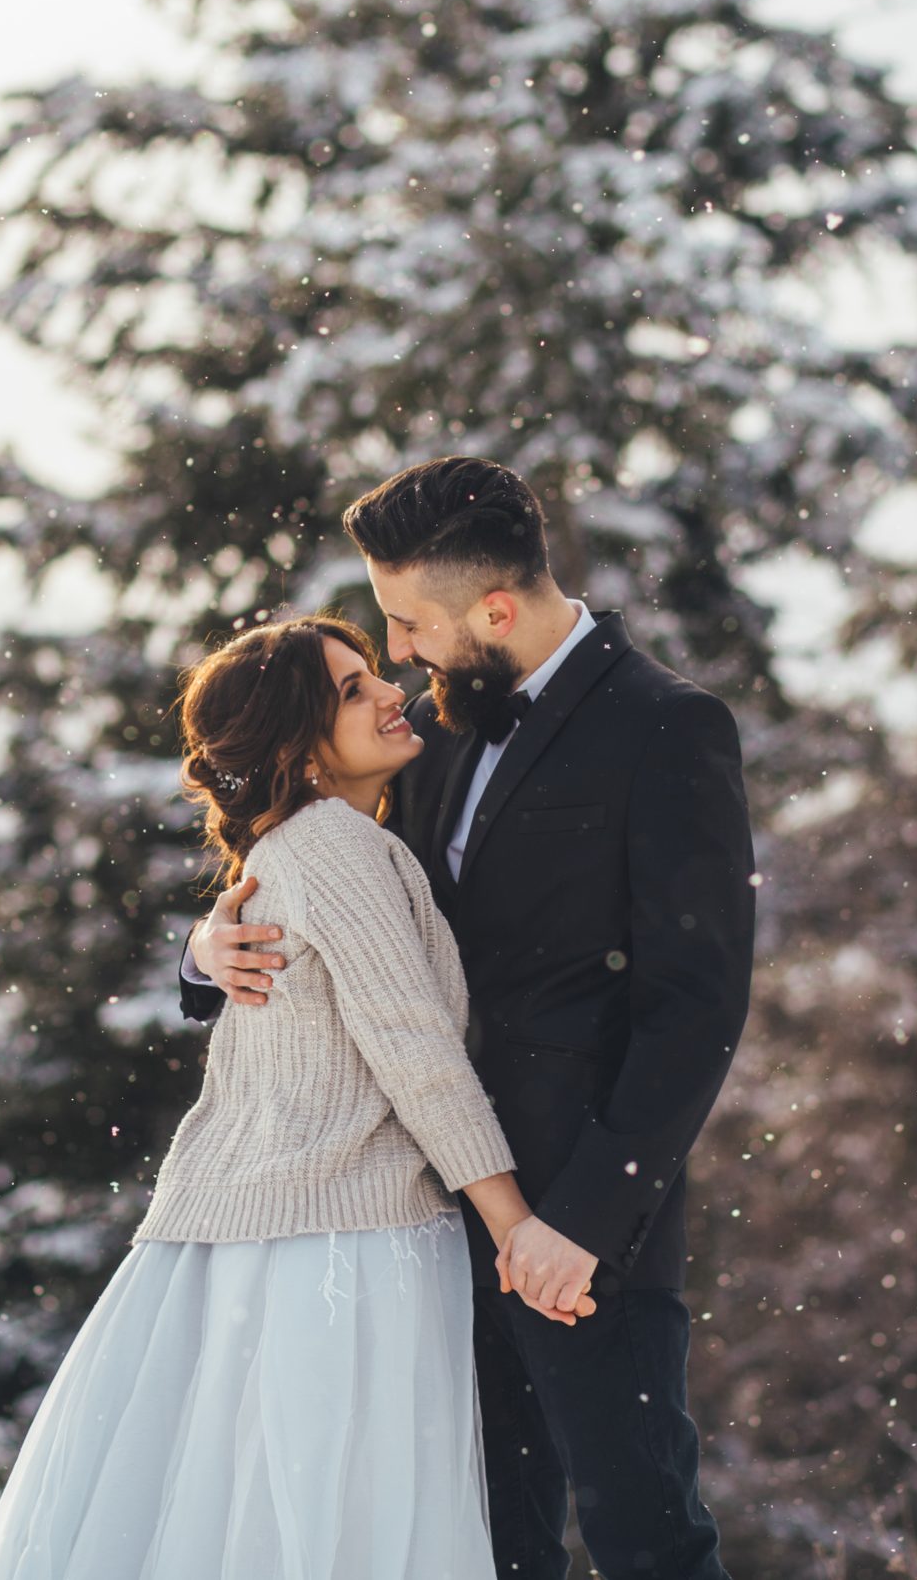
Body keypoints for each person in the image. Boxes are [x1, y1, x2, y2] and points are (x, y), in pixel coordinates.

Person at [183, 456, 755, 1580]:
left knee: (646, 1531)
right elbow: (330, 885)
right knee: (480, 1540)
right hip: (419, 1211)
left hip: (578, 1219)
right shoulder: (432, 722)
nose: (397, 654)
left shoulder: (666, 728)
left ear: (495, 608)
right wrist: (206, 953)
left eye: (407, 622)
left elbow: (693, 1009)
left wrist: (579, 1221)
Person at [0, 611, 589, 1580]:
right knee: (337, 1531)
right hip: (341, 1248)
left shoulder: (308, 847)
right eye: (353, 689)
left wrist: (198, 955)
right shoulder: (333, 847)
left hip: (280, 1234)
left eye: (376, 672)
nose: (392, 691)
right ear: (300, 751)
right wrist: (514, 1226)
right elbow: (417, 1053)